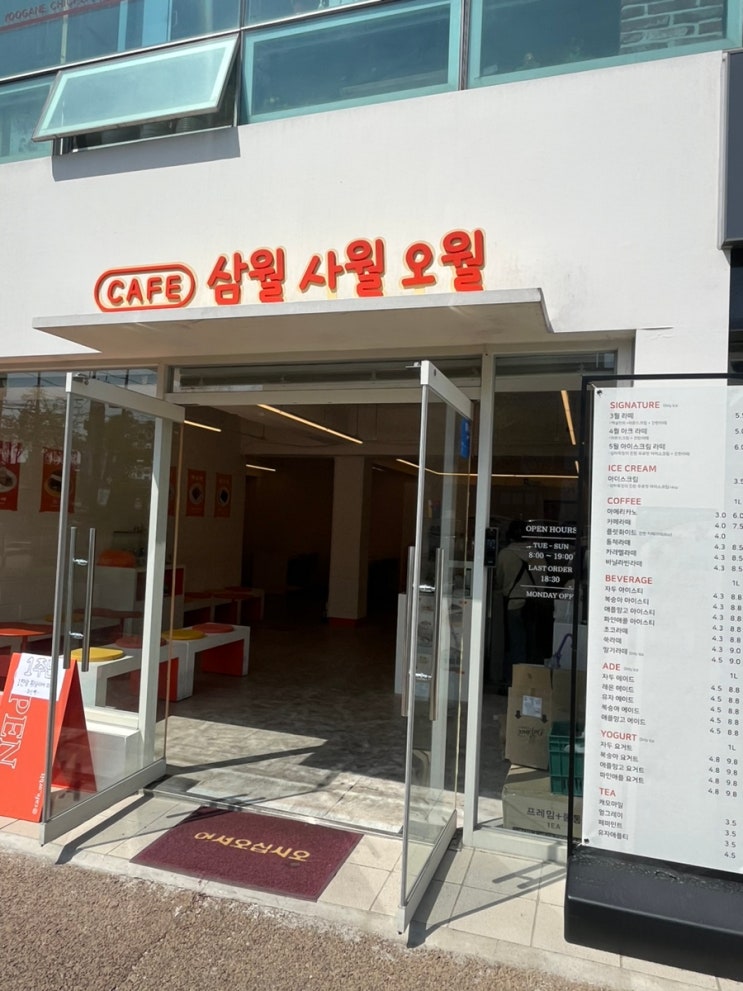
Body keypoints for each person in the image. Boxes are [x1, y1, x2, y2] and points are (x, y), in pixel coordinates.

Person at [494, 520, 546, 688]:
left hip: (514, 604)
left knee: (515, 643)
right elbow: (543, 582)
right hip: (533, 604)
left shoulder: (504, 554)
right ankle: (530, 680)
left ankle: (514, 681)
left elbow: (499, 581)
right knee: (532, 644)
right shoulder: (537, 555)